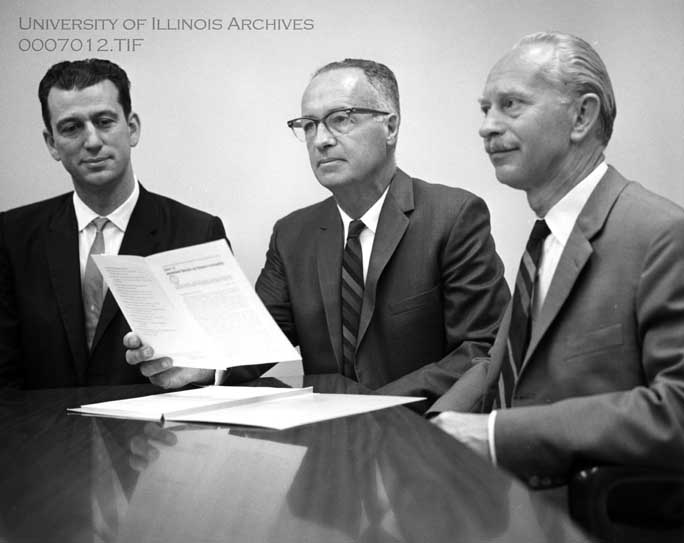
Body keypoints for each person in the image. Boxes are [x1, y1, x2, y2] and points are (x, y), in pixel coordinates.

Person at [125, 58, 509, 407]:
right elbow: (256, 341)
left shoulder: (452, 215)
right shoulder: (293, 234)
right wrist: (197, 366)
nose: (321, 139)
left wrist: (375, 405)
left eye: (341, 119)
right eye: (309, 125)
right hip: (327, 442)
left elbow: (482, 348)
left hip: (423, 433)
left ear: (390, 126)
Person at [431, 32, 684, 488]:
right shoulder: (545, 238)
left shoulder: (662, 234)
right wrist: (428, 429)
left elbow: (677, 408)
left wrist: (497, 436)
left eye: (510, 105)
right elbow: (503, 366)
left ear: (581, 116)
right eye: (485, 109)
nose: (487, 127)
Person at [0, 59, 227, 388]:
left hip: (155, 420)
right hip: (41, 421)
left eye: (104, 121)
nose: (92, 141)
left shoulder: (197, 233)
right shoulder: (11, 236)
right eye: (71, 128)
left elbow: (224, 353)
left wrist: (203, 369)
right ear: (51, 143)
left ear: (132, 128)